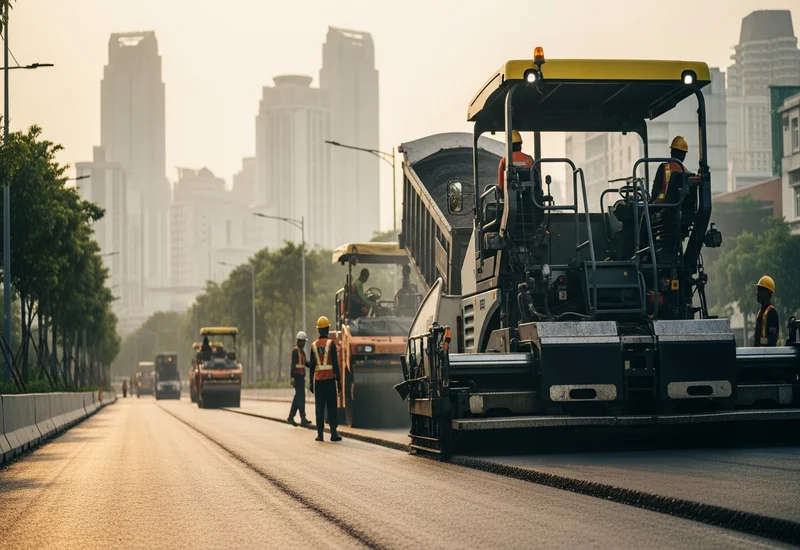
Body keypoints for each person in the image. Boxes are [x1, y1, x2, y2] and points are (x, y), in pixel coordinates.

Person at [309, 316, 342, 442]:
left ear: (318, 330)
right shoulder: (331, 344)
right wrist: (339, 381)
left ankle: (320, 435)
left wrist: (310, 383)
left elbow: (312, 366)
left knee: (319, 408)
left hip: (318, 382)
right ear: (327, 329)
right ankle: (333, 433)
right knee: (332, 407)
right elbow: (335, 364)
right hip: (329, 381)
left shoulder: (313, 345)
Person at [651, 136, 688, 203]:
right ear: (684, 155)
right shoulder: (686, 172)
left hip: (661, 205)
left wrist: (652, 201)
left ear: (672, 151)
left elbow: (655, 191)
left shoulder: (663, 168)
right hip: (682, 207)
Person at [497, 130, 533, 194]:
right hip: (531, 196)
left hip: (511, 196)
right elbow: (536, 178)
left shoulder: (504, 161)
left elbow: (501, 184)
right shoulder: (529, 159)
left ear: (509, 146)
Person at [288, 331, 311, 427]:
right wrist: (292, 377)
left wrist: (314, 364)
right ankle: (302, 418)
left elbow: (305, 363)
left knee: (298, 398)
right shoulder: (295, 351)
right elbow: (293, 365)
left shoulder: (302, 352)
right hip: (297, 377)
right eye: (303, 341)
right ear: (299, 341)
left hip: (301, 377)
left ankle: (292, 417)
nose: (304, 343)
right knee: (300, 398)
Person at [754, 275, 779, 347]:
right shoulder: (760, 312)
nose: (756, 293)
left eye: (759, 291)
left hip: (767, 352)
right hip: (759, 351)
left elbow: (772, 340)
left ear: (767, 293)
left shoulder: (771, 313)